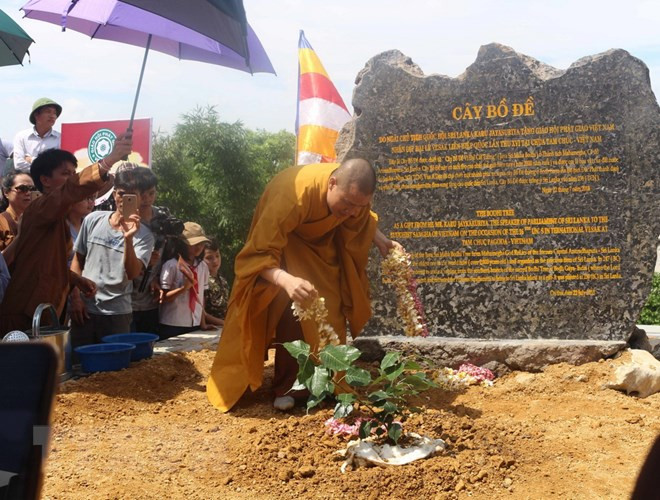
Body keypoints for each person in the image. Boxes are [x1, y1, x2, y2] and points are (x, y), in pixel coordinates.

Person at [206, 159, 400, 412]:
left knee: (330, 308)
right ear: (332, 183)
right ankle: (289, 386)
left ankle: (331, 381)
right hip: (283, 250)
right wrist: (286, 280)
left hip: (320, 251)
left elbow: (359, 218)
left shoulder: (351, 200)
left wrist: (381, 240)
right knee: (291, 313)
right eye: (347, 204)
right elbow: (256, 255)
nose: (351, 212)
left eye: (358, 206)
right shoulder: (291, 195)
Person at [0, 135, 132, 335]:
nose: (72, 178)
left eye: (74, 173)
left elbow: (46, 265)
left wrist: (74, 280)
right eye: (65, 173)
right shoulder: (40, 208)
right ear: (45, 180)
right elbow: (72, 189)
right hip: (25, 315)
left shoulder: (55, 214)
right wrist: (110, 159)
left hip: (42, 312)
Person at [69, 169, 155, 346]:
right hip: (84, 309)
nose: (124, 200)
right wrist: (75, 298)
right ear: (115, 194)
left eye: (132, 196)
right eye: (121, 194)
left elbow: (132, 273)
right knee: (80, 367)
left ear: (141, 198)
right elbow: (77, 261)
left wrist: (128, 239)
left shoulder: (145, 236)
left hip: (117, 313)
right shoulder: (93, 219)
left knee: (113, 370)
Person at [159, 222, 212, 339]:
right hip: (173, 323)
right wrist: (183, 288)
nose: (199, 247)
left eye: (202, 244)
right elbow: (163, 298)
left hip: (195, 322)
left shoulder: (203, 266)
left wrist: (203, 322)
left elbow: (201, 296)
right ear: (182, 244)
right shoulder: (171, 265)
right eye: (194, 244)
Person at [130, 167, 165, 334]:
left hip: (152, 298)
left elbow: (171, 251)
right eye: (142, 194)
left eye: (152, 193)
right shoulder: (125, 219)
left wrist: (159, 278)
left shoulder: (162, 216)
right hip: (127, 299)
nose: (147, 199)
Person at [12, 98, 62, 172]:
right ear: (36, 115)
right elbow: (19, 165)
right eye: (48, 111)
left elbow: (60, 166)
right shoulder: (21, 136)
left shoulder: (61, 138)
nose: (52, 116)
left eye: (54, 113)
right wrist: (47, 168)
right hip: (28, 182)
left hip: (52, 183)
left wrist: (32, 159)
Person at [0, 170, 36, 251]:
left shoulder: (40, 220)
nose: (28, 193)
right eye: (22, 188)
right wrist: (20, 237)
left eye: (32, 189)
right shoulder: (1, 223)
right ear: (6, 192)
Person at [203, 240, 229, 328]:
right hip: (210, 328)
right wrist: (223, 323)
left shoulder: (223, 281)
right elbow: (202, 312)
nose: (215, 261)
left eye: (217, 256)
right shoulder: (203, 281)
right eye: (209, 258)